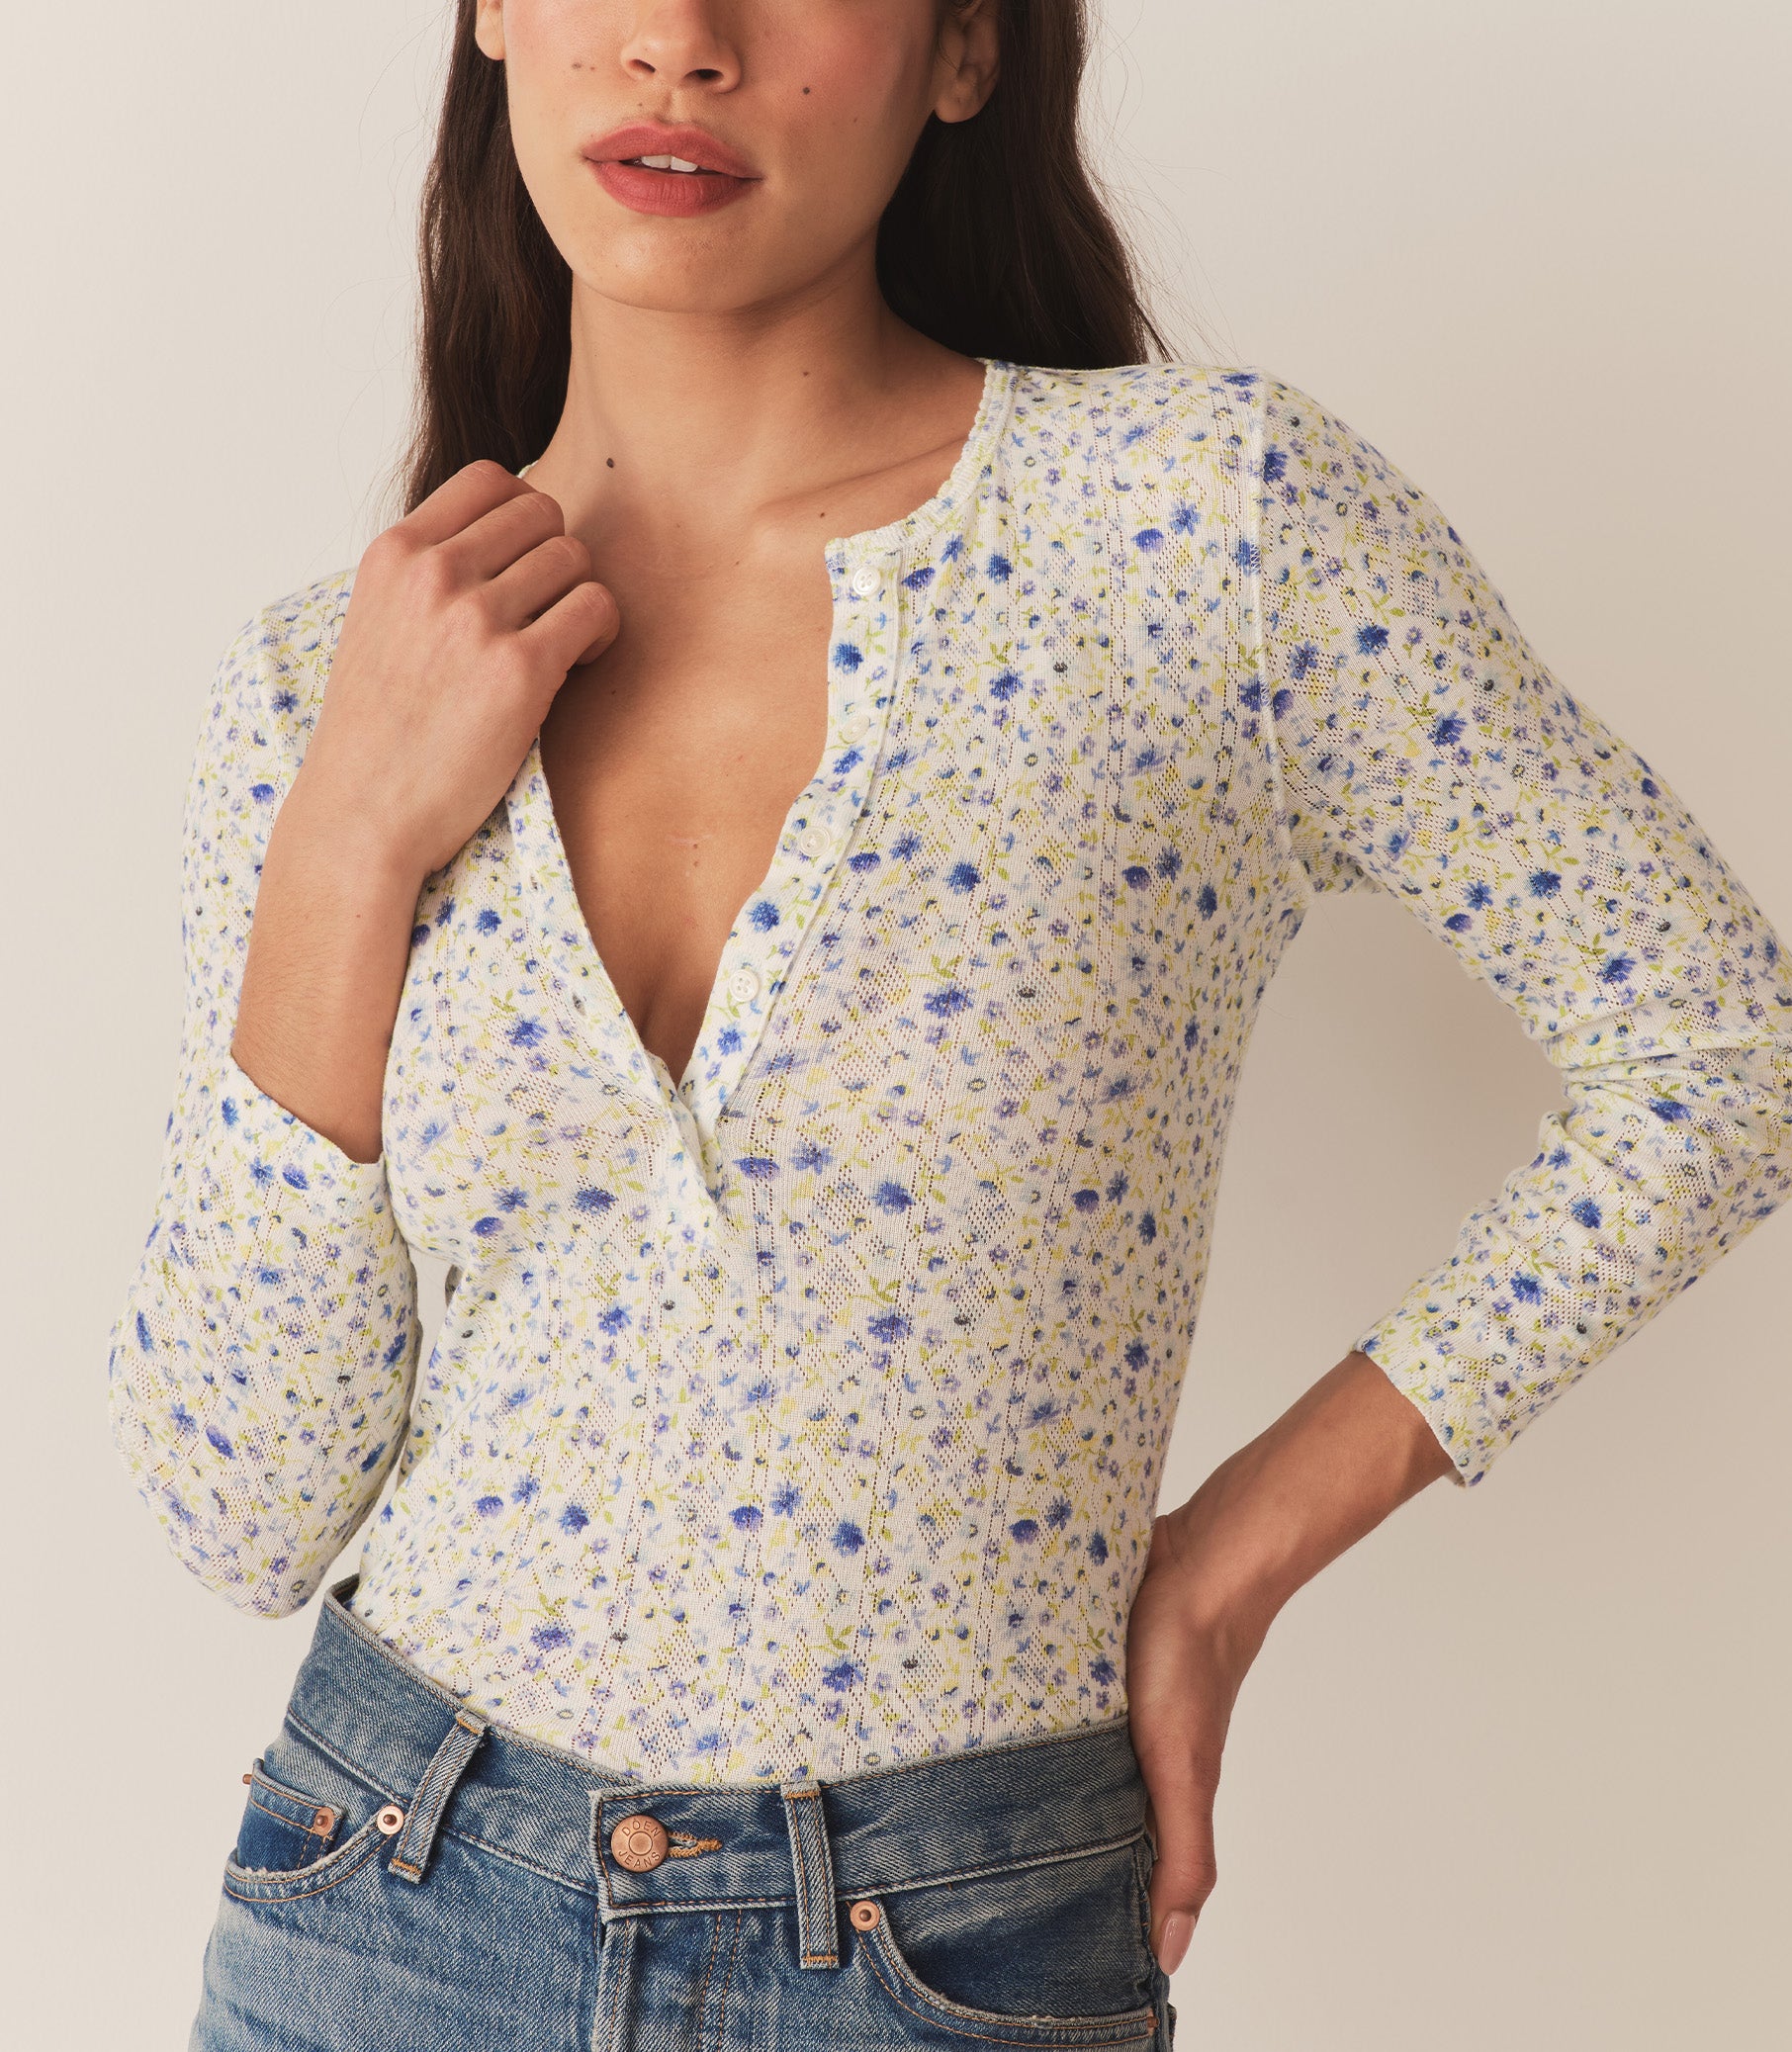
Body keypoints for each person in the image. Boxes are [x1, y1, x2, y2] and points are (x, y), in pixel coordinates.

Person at [107, 4, 1792, 2049]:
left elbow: (1717, 1049)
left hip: (947, 1950)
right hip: (377, 1906)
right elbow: (243, 1509)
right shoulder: (330, 679)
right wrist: (349, 840)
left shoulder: (1209, 532)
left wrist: (1227, 1564)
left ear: (967, 49)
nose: (680, 42)